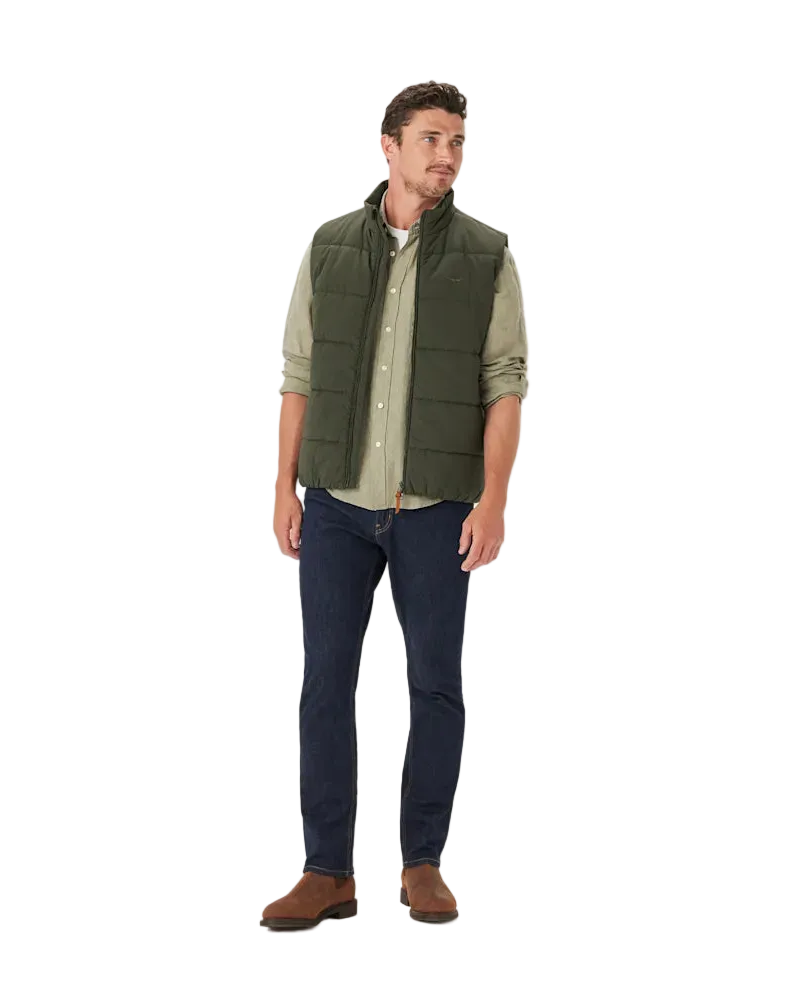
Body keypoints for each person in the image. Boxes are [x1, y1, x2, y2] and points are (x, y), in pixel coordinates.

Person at [263, 80, 529, 933]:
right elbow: (298, 373)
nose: (447, 155)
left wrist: (494, 500)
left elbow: (506, 384)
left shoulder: (488, 254)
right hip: (335, 505)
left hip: (437, 509)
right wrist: (285, 487)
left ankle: (422, 863)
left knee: (436, 685)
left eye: (459, 141)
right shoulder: (329, 245)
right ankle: (326, 872)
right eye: (431, 138)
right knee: (323, 685)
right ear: (389, 144)